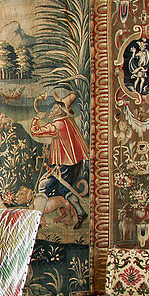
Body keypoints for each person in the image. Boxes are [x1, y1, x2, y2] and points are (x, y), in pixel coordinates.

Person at [30, 91, 89, 228]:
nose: (53, 108)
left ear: (62, 111)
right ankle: (80, 212)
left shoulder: (57, 125)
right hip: (70, 162)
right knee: (64, 190)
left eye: (57, 106)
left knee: (43, 185)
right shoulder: (67, 122)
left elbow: (35, 132)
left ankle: (36, 219)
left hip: (63, 164)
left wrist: (36, 119)